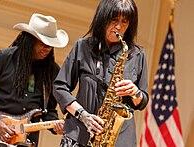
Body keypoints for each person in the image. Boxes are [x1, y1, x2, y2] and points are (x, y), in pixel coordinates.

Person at [53, 0, 149, 147]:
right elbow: (60, 87)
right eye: (114, 20)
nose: (119, 27)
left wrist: (135, 93)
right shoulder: (82, 47)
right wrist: (83, 115)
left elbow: (142, 101)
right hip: (80, 134)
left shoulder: (137, 54)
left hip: (119, 140)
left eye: (124, 22)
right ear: (103, 18)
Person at [0, 13, 69, 147]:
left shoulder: (52, 71)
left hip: (26, 140)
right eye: (43, 43)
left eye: (50, 45)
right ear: (30, 40)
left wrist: (56, 126)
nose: (47, 49)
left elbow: (48, 110)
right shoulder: (5, 57)